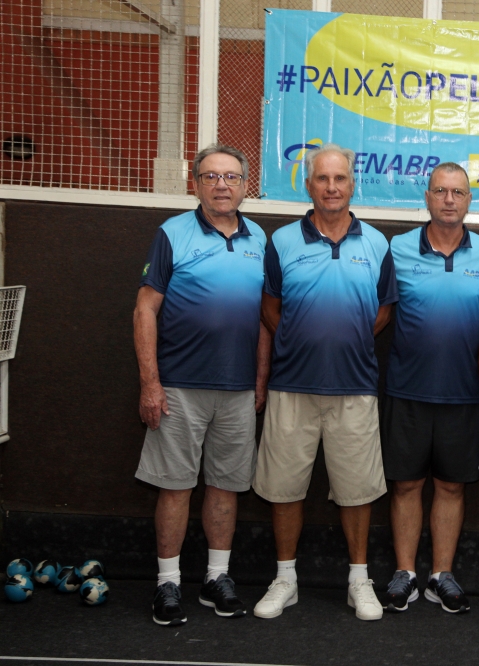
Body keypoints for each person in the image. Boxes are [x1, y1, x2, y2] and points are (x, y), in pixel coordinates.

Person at [251, 143, 398, 622]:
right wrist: (303, 340)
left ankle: (359, 580)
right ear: (309, 185)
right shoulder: (281, 242)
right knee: (284, 487)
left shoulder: (376, 244)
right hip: (291, 386)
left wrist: (345, 339)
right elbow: (270, 308)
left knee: (358, 490)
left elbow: (382, 311)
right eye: (322, 178)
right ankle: (285, 579)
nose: (332, 187)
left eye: (340, 179)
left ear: (353, 184)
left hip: (354, 386)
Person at [134, 144, 267, 626]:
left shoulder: (260, 240)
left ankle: (216, 578)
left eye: (231, 177)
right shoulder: (172, 233)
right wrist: (151, 384)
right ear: (196, 184)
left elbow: (266, 318)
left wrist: (260, 379)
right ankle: (167, 584)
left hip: (237, 390)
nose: (221, 185)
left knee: (226, 486)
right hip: (179, 388)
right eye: (211, 176)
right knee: (175, 487)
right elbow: (145, 309)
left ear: (245, 186)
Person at [380, 163, 479, 613]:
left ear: (469, 200)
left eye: (458, 192)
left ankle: (441, 575)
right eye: (441, 191)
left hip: (463, 395)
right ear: (427, 197)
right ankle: (405, 573)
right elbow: (378, 312)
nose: (449, 199)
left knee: (451, 487)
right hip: (407, 390)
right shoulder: (396, 248)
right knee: (406, 485)